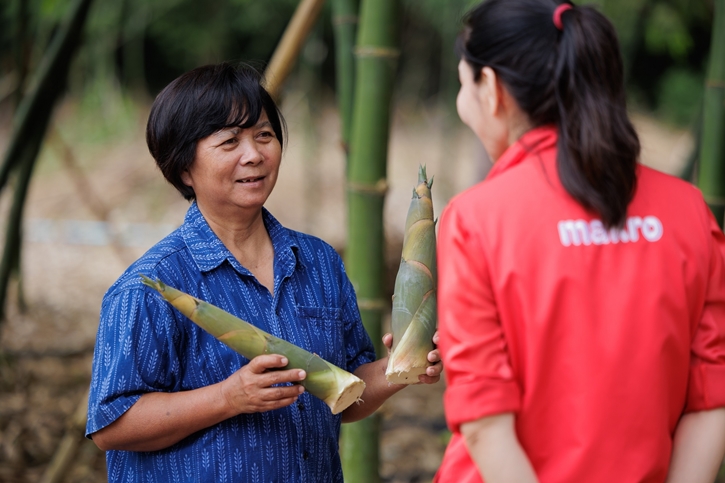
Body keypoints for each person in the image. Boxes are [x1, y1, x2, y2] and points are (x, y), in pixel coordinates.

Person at [85, 62, 442, 483]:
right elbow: (111, 425)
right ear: (183, 167)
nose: (253, 154)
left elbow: (343, 394)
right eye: (230, 141)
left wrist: (399, 367)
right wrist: (228, 397)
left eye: (264, 135)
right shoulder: (150, 286)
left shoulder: (319, 262)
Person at [435, 1, 725, 483]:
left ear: (491, 90)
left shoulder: (476, 219)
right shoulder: (689, 210)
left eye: (463, 83)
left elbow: (486, 427)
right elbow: (712, 396)